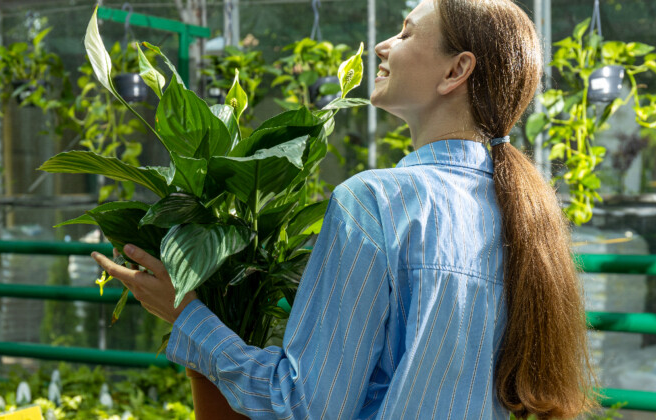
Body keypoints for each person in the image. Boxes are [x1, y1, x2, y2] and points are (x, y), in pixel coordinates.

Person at [92, 0, 597, 418]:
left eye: (406, 33)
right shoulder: (523, 215)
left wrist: (186, 316)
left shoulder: (376, 203)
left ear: (456, 70)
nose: (383, 45)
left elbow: (305, 404)